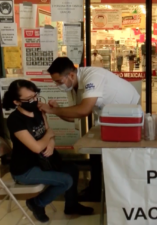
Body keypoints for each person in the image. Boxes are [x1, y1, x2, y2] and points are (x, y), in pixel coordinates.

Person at [38, 57, 140, 202]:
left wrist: (54, 111)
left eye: (59, 81)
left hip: (128, 111)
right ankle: (96, 189)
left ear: (71, 75)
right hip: (108, 115)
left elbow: (83, 110)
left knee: (119, 154)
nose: (57, 85)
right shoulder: (72, 86)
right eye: (55, 82)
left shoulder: (93, 76)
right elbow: (73, 116)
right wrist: (57, 110)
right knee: (95, 152)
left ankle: (117, 191)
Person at [4, 80, 93, 223]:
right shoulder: (15, 120)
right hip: (25, 170)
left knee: (72, 169)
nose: (34, 101)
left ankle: (71, 206)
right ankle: (36, 203)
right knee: (66, 180)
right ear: (16, 102)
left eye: (35, 96)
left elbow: (50, 132)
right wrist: (48, 138)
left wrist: (50, 144)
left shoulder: (38, 111)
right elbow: (37, 147)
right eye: (28, 99)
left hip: (42, 162)